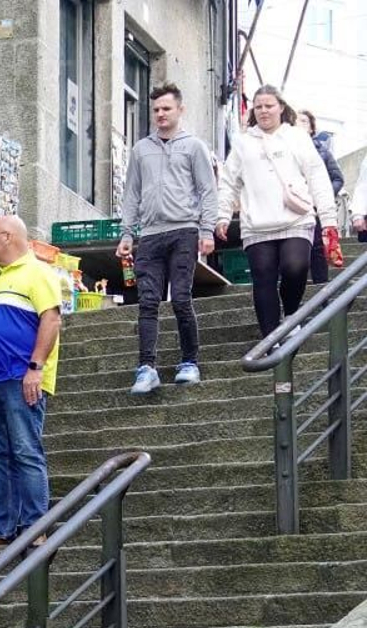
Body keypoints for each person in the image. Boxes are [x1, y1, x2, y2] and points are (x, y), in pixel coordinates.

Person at [0, 216, 60, 552]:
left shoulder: (38, 272)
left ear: (7, 237)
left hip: (21, 379)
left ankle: (35, 528)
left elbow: (51, 318)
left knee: (25, 452)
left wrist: (35, 367)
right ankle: (2, 529)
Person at [116, 83, 218, 395]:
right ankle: (146, 368)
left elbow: (208, 190)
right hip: (149, 235)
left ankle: (190, 361)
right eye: (156, 109)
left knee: (182, 298)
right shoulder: (140, 149)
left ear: (180, 110)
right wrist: (126, 233)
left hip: (184, 231)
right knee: (147, 302)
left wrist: (207, 230)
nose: (160, 114)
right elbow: (131, 193)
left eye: (166, 109)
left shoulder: (194, 146)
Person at [215, 85, 339, 338]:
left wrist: (328, 219)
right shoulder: (243, 142)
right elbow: (228, 182)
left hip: (296, 219)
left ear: (281, 107)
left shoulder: (297, 137)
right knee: (263, 279)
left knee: (296, 267)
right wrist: (222, 216)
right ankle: (270, 339)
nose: (263, 111)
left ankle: (292, 312)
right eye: (258, 107)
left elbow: (317, 176)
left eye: (268, 105)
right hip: (257, 224)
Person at [299, 110, 347, 283]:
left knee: (318, 246)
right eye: (296, 121)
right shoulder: (285, 149)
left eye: (304, 121)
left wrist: (322, 196)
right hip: (293, 207)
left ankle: (321, 286)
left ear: (312, 128)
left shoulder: (322, 151)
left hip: (315, 207)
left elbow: (337, 179)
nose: (299, 124)